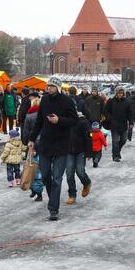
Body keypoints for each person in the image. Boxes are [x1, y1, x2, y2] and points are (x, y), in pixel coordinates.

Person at [28, 77, 78, 221]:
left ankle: (53, 209)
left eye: (51, 86)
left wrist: (59, 120)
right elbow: (39, 121)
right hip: (45, 144)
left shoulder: (67, 101)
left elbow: (74, 120)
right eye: (48, 86)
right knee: (45, 176)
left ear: (58, 87)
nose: (48, 88)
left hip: (62, 145)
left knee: (56, 178)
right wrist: (32, 139)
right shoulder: (44, 100)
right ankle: (53, 199)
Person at [65, 109, 92, 204]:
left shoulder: (83, 121)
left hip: (81, 151)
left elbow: (89, 137)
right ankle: (72, 194)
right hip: (68, 151)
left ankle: (86, 182)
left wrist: (89, 152)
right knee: (69, 173)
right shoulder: (66, 121)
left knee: (80, 171)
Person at [103, 87, 131, 162]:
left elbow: (129, 113)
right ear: (116, 93)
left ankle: (117, 151)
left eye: (121, 93)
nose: (120, 94)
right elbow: (105, 110)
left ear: (123, 94)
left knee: (124, 140)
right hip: (114, 124)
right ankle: (115, 156)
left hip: (123, 124)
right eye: (119, 93)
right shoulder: (111, 101)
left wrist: (131, 122)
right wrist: (110, 118)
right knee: (115, 141)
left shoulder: (127, 102)